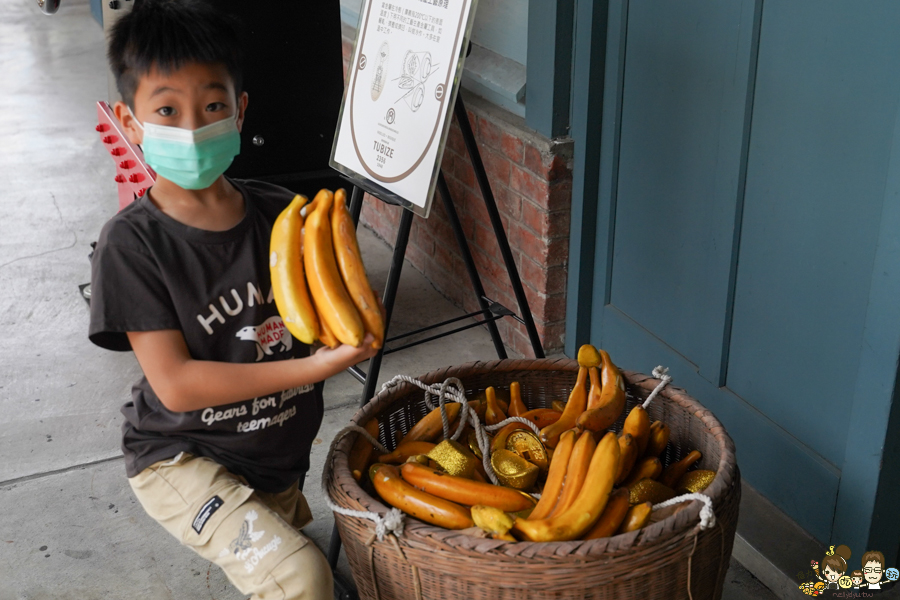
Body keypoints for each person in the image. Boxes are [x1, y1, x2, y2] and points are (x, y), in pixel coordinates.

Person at [88, 1, 378, 598]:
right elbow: (177, 385)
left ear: (240, 110)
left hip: (272, 461)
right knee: (299, 574)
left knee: (297, 552)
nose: (193, 128)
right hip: (182, 455)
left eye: (213, 106)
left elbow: (333, 312)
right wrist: (315, 366)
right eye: (167, 109)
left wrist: (352, 326)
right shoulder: (132, 244)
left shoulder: (284, 217)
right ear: (130, 120)